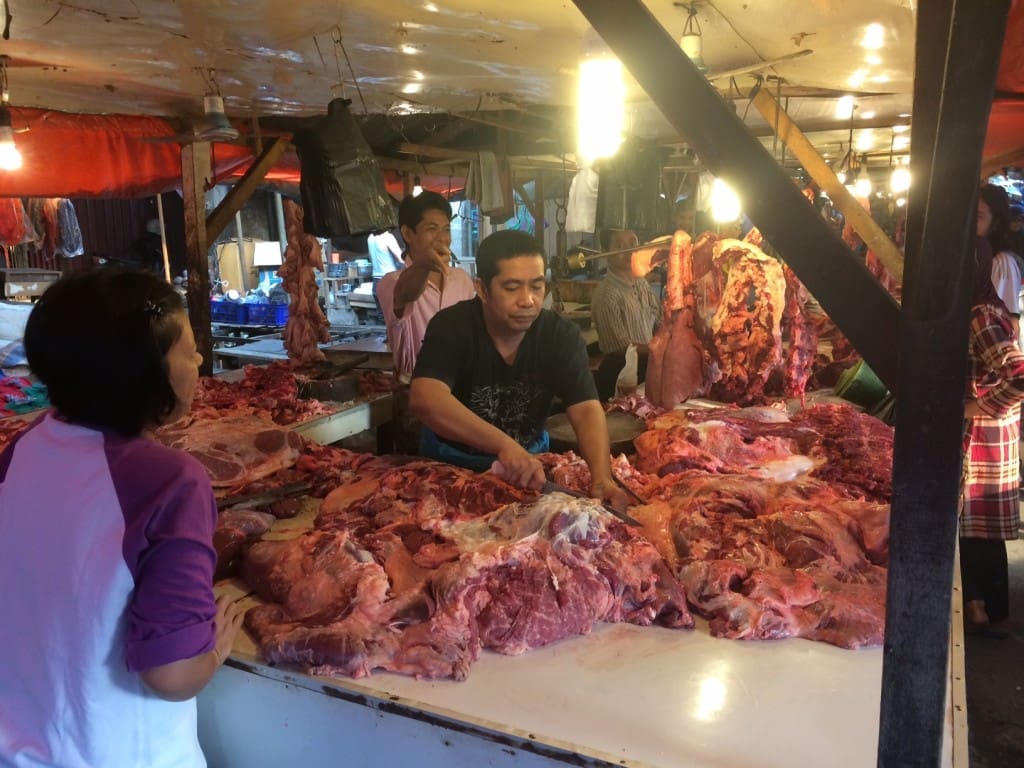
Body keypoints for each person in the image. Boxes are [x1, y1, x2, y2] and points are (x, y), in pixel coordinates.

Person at [0, 269, 244, 766]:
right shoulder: (171, 480)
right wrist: (215, 650)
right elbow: (172, 675)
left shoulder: (22, 448)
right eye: (190, 350)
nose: (200, 362)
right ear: (144, 371)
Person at [409, 229, 630, 509]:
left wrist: (601, 478)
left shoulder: (560, 336)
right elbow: (425, 398)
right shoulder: (452, 327)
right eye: (512, 288)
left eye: (537, 287)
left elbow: (586, 408)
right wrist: (504, 445)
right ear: (482, 289)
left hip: (529, 470)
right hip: (451, 471)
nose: (527, 300)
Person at [376, 192, 476, 455]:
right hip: (415, 393)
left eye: (446, 229)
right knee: (420, 475)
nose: (442, 237)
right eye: (432, 229)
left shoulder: (462, 280)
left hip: (460, 391)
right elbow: (405, 294)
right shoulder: (391, 282)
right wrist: (424, 265)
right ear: (408, 233)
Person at [961, 235, 1024, 639]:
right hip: (994, 433)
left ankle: (980, 609)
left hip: (985, 435)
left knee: (972, 526)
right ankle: (987, 609)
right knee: (981, 530)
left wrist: (978, 407)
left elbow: (1019, 374)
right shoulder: (987, 309)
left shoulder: (980, 317)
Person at [590, 229, 662, 401]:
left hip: (647, 368)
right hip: (621, 373)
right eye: (619, 245)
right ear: (607, 252)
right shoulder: (606, 294)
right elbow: (620, 347)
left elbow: (658, 319)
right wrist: (658, 350)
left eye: (632, 244)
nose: (627, 250)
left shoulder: (642, 284)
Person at [978, 184, 1023, 338]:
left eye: (979, 217)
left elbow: (1003, 324)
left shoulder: (1002, 262)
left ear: (995, 223)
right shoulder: (980, 258)